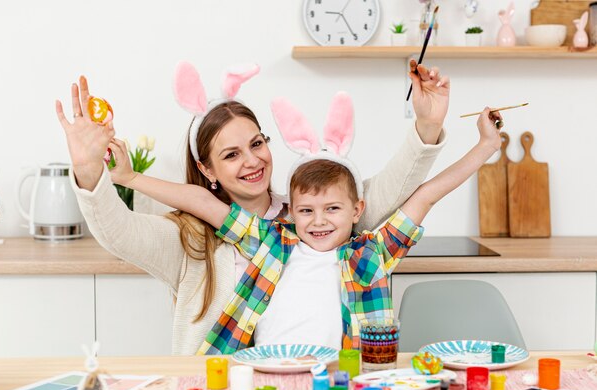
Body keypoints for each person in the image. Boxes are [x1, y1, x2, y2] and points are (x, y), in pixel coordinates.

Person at [55, 60, 450, 355]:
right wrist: (90, 171)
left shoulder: (310, 215)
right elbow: (118, 232)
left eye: (256, 144)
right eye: (231, 155)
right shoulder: (188, 235)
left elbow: (394, 187)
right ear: (206, 169)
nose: (252, 161)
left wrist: (427, 125)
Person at [107, 91, 503, 354]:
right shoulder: (270, 240)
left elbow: (427, 193)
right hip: (265, 377)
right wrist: (129, 178)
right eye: (307, 211)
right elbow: (200, 201)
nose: (318, 222)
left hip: (344, 379)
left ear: (357, 209)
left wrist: (485, 146)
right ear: (290, 210)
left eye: (333, 209)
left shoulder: (372, 252)